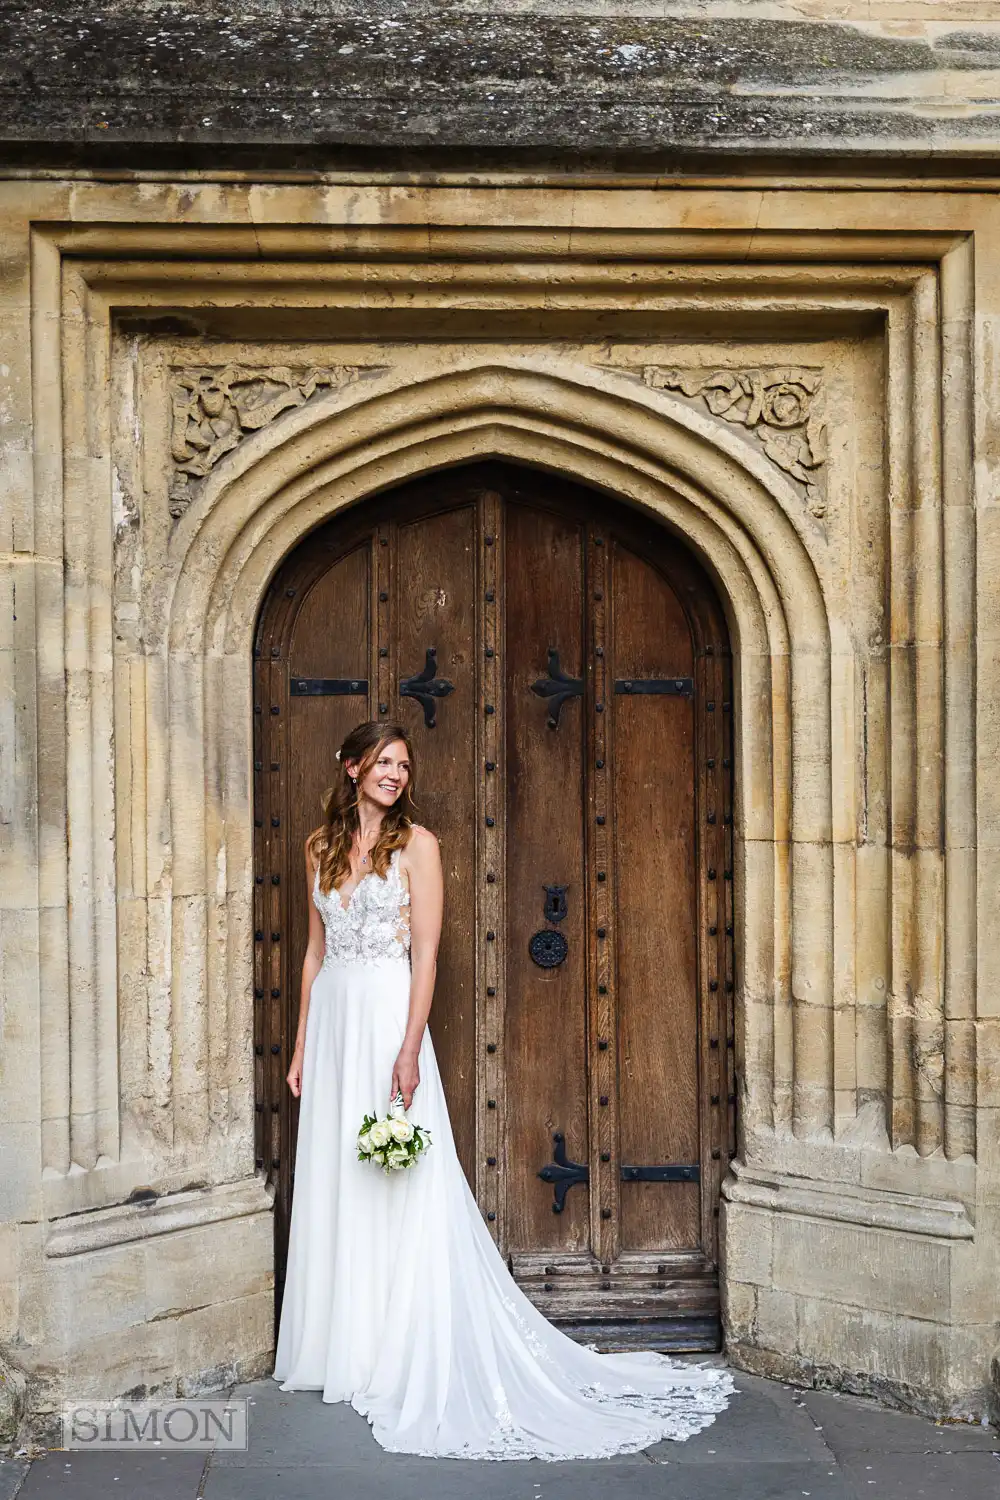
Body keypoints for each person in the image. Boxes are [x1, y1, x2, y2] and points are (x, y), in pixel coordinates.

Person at [272, 719, 734, 1459]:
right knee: (340, 1171)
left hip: (389, 1018)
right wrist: (299, 1044)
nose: (394, 774)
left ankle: (395, 1341)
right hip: (333, 1025)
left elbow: (426, 957)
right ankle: (339, 1345)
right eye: (383, 762)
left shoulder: (418, 847)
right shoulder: (318, 848)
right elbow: (314, 949)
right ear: (352, 767)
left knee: (397, 1178)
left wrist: (410, 1046)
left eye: (403, 765)